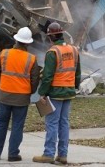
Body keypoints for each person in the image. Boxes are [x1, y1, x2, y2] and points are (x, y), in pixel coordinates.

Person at [0, 27, 40, 162]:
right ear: (28, 43)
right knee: (17, 126)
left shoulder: (4, 54)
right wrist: (29, 92)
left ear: (16, 39)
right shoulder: (32, 59)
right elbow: (35, 80)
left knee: (1, 124)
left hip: (4, 95)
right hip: (22, 98)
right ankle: (13, 154)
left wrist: (2, 86)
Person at [33, 22, 81, 164]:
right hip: (69, 92)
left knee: (52, 123)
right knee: (64, 123)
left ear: (50, 37)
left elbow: (47, 76)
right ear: (62, 34)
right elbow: (77, 72)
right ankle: (63, 155)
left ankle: (48, 154)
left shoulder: (53, 52)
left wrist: (42, 92)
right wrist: (74, 86)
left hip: (55, 93)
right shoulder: (74, 50)